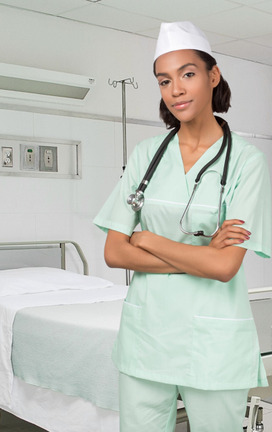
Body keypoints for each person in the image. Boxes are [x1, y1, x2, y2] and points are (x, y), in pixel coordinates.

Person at [94, 21, 271, 432]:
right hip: (147, 336)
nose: (176, 89)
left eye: (187, 74)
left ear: (213, 76)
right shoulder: (145, 155)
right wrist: (204, 254)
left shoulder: (246, 163)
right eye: (164, 80)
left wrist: (149, 239)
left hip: (212, 341)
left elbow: (226, 268)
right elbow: (114, 252)